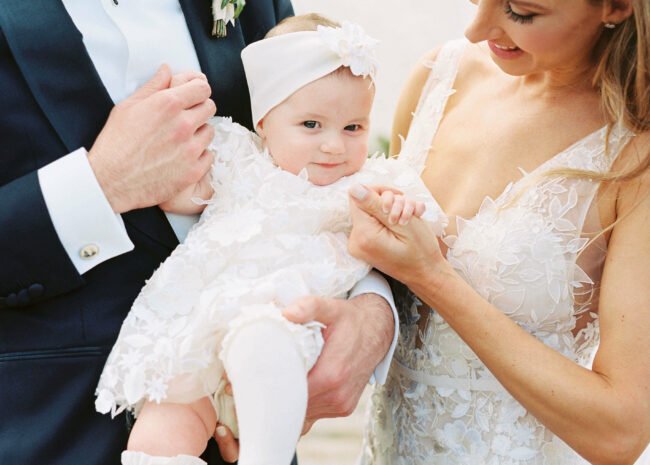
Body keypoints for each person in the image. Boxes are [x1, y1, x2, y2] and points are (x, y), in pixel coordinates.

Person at [0, 3, 398, 465]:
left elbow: (314, 175)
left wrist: (374, 310)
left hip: (249, 425)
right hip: (47, 430)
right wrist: (100, 183)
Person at [94, 14, 446, 465]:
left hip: (285, 338)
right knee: (159, 432)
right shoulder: (241, 161)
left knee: (262, 339)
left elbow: (420, 229)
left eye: (353, 127)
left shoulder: (366, 184)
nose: (335, 146)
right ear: (264, 123)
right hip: (200, 344)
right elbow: (175, 188)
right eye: (312, 125)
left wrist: (398, 208)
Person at [344, 0, 650, 464]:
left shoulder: (636, 154)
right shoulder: (439, 76)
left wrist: (433, 277)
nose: (475, 31)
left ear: (617, 7)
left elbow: (619, 434)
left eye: (520, 13)